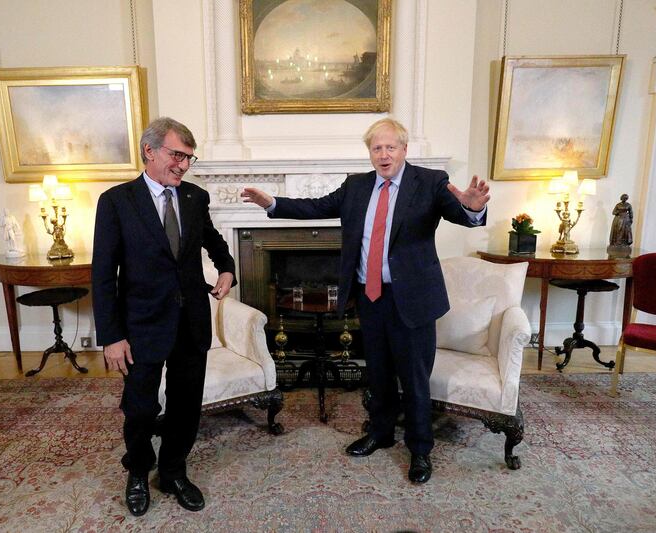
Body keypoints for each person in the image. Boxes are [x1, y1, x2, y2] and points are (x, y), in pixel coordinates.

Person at [241, 117, 489, 484]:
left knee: (415, 378)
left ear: (404, 149)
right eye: (377, 148)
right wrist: (273, 203)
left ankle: (420, 449)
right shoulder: (356, 186)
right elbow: (315, 207)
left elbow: (462, 214)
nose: (384, 154)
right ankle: (381, 432)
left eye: (391, 147)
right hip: (370, 296)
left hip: (412, 299)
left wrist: (471, 207)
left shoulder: (430, 182)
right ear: (369, 153)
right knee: (377, 372)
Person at [92, 117, 236, 517]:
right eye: (177, 155)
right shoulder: (116, 202)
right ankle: (138, 470)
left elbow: (214, 241)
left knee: (186, 405)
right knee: (139, 408)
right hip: (140, 327)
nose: (183, 165)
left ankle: (173, 471)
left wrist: (227, 268)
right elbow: (103, 275)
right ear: (149, 151)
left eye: (189, 158)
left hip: (191, 323)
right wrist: (111, 336)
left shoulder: (194, 198)